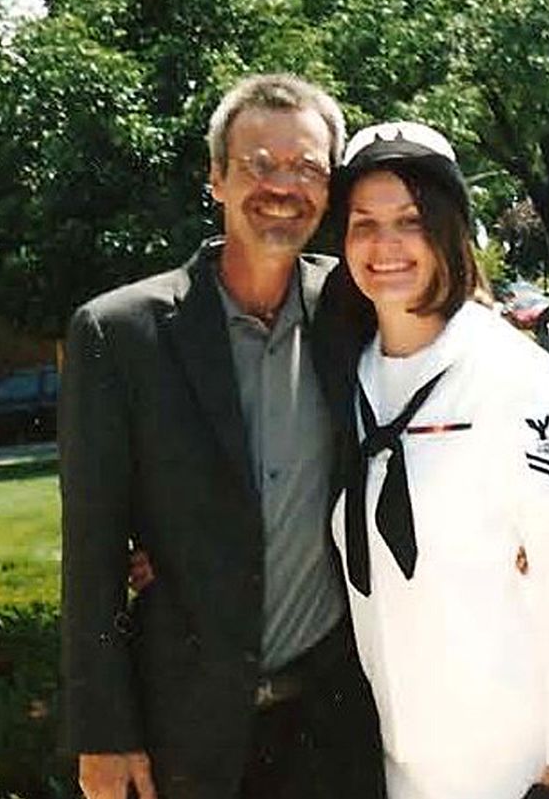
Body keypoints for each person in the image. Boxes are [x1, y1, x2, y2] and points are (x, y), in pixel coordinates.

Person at [58, 74, 384, 799]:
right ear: (216, 178)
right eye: (257, 164)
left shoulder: (354, 308)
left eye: (305, 167)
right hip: (187, 732)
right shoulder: (121, 333)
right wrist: (105, 734)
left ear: (329, 190)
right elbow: (92, 549)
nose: (282, 184)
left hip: (332, 725)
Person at [328, 122, 549, 799]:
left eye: (410, 220)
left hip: (519, 768)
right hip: (402, 767)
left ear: (452, 229)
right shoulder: (349, 378)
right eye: (363, 223)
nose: (385, 245)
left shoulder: (511, 375)